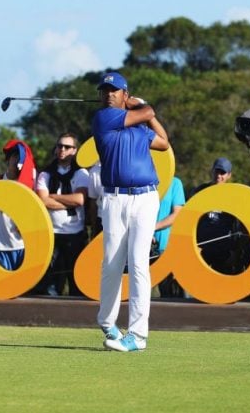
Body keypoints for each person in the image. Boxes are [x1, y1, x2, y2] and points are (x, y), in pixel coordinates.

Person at [93, 71, 169, 352]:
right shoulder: (102, 118)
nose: (108, 94)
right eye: (104, 90)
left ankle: (137, 335)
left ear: (125, 94)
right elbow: (147, 110)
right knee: (112, 263)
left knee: (138, 262)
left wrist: (146, 115)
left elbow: (164, 141)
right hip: (114, 199)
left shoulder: (139, 128)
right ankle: (107, 322)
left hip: (145, 198)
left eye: (114, 90)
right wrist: (142, 106)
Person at [36, 133, 89, 296]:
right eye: (59, 146)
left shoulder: (81, 173)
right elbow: (43, 201)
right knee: (50, 281)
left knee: (76, 280)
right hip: (51, 233)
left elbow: (80, 199)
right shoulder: (46, 174)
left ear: (74, 150)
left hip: (75, 233)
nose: (62, 149)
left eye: (67, 147)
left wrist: (54, 196)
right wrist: (66, 201)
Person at [0, 140, 37, 271]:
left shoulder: (30, 184)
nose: (16, 161)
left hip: (23, 245)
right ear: (8, 160)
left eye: (20, 158)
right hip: (1, 245)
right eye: (14, 157)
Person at [189, 158, 243, 275]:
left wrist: (235, 253)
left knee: (223, 290)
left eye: (222, 173)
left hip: (224, 251)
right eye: (216, 171)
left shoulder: (234, 196)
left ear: (229, 175)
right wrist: (193, 247)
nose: (218, 176)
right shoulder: (199, 191)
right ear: (212, 171)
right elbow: (189, 220)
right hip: (202, 250)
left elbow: (239, 226)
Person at [154, 176, 186, 298]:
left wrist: (152, 228)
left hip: (166, 246)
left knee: (170, 295)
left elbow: (177, 214)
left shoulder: (175, 183)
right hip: (144, 247)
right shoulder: (142, 181)